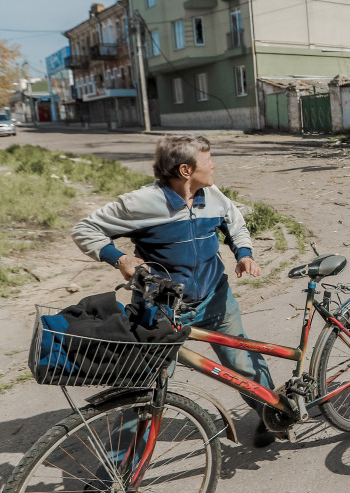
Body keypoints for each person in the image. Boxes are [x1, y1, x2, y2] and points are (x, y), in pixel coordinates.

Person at [72, 134, 277, 447]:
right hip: (161, 309)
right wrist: (120, 258)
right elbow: (85, 229)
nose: (213, 165)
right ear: (185, 170)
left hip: (215, 300)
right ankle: (119, 472)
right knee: (143, 385)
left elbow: (233, 221)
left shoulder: (212, 194)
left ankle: (272, 413)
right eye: (208, 160)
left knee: (242, 365)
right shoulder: (141, 203)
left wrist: (244, 253)